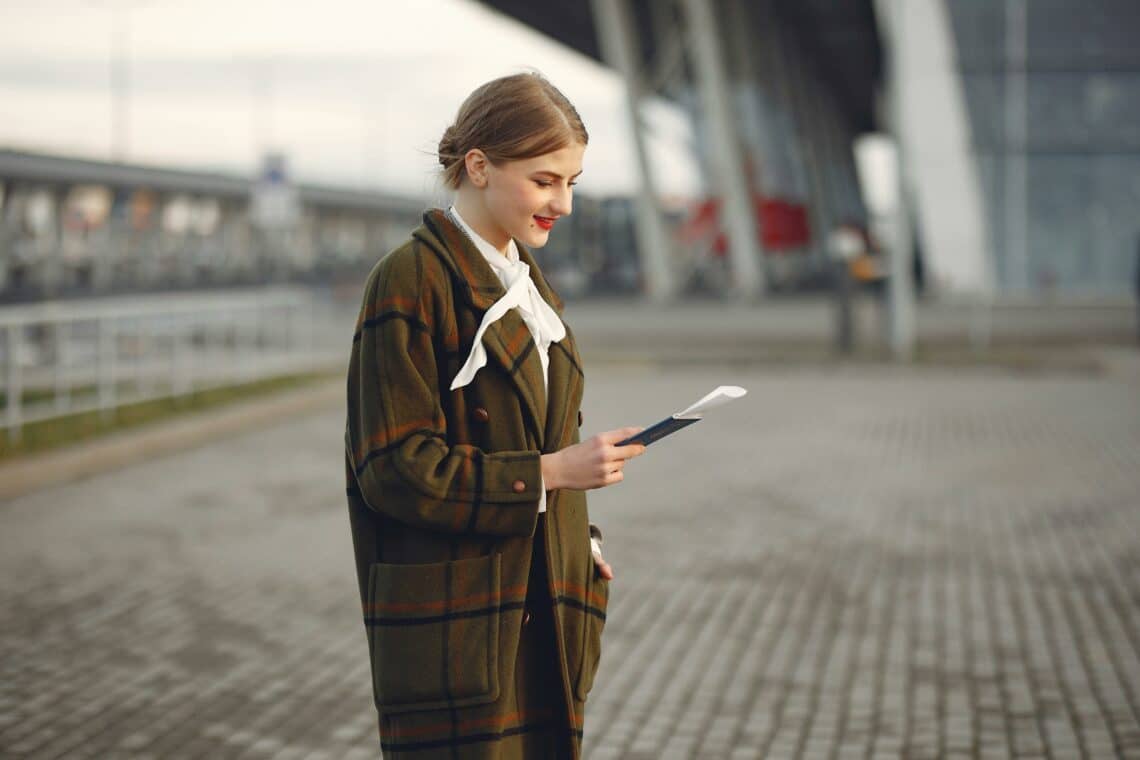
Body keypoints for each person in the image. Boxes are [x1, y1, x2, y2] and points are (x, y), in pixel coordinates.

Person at [344, 72, 647, 759]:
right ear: (478, 166)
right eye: (546, 181)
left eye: (571, 182)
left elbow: (542, 441)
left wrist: (584, 543)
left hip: (545, 599)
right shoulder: (411, 280)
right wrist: (553, 471)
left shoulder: (529, 286)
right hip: (463, 618)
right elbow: (391, 470)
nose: (564, 203)